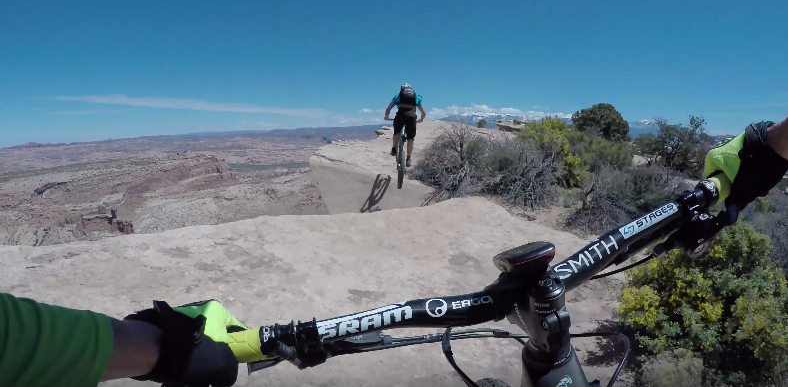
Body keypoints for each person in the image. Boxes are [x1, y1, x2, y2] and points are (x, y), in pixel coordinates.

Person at [1, 117, 788, 387]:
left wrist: (170, 347)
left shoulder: (415, 103)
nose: (406, 106)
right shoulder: (404, 104)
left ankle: (405, 162)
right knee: (400, 152)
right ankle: (401, 162)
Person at [384, 83, 427, 167]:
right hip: (411, 116)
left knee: (396, 132)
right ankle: (408, 159)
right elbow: (423, 113)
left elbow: (388, 109)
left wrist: (386, 117)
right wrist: (421, 119)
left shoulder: (398, 96)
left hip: (400, 115)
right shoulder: (416, 97)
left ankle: (394, 148)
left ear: (401, 89)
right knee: (411, 139)